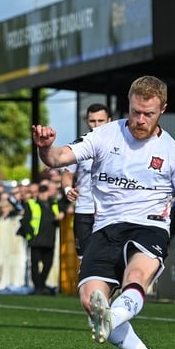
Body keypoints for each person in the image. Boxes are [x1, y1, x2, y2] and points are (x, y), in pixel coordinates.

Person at [32, 75, 175, 349]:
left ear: (163, 109)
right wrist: (45, 148)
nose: (140, 119)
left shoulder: (173, 153)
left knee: (135, 276)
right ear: (128, 104)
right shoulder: (105, 135)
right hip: (106, 229)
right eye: (135, 111)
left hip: (149, 227)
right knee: (90, 301)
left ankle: (112, 317)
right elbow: (58, 158)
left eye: (148, 113)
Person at [62, 103, 111, 258]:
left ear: (109, 120)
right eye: (92, 121)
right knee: (84, 258)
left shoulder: (120, 145)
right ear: (86, 122)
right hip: (84, 210)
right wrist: (68, 190)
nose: (96, 125)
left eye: (101, 121)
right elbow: (67, 176)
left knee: (108, 258)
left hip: (110, 211)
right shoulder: (79, 146)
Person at [18, 180, 62, 295]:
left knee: (48, 264)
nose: (43, 194)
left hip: (49, 238)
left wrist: (58, 218)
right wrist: (31, 235)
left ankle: (41, 285)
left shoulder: (54, 204)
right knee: (35, 264)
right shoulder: (31, 203)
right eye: (41, 192)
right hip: (36, 239)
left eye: (45, 192)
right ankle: (38, 287)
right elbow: (26, 221)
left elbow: (57, 220)